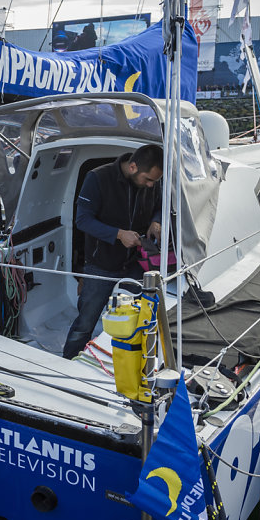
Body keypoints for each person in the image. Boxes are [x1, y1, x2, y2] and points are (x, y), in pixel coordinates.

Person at [62, 144, 163, 359]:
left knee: (139, 320)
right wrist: (119, 234)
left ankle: (128, 365)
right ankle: (68, 361)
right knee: (85, 322)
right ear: (133, 166)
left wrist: (156, 222)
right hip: (101, 265)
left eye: (154, 181)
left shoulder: (152, 183)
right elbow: (83, 220)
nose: (151, 185)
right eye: (148, 180)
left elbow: (160, 206)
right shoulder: (97, 178)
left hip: (136, 265)